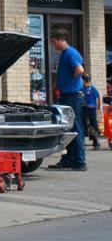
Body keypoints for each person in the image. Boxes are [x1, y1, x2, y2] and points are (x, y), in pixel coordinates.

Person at [48, 30, 87, 171]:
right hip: (67, 95)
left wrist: (70, 83)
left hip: (72, 95)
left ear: (60, 39)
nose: (53, 46)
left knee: (75, 127)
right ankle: (69, 159)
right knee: (68, 127)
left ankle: (79, 161)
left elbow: (79, 70)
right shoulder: (66, 54)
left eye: (53, 42)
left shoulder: (70, 53)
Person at [82, 76, 101, 151]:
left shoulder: (87, 88)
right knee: (87, 124)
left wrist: (98, 108)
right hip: (87, 108)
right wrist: (98, 107)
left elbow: (98, 98)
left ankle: (96, 142)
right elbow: (99, 98)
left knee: (93, 124)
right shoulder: (91, 88)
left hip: (89, 108)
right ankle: (94, 142)